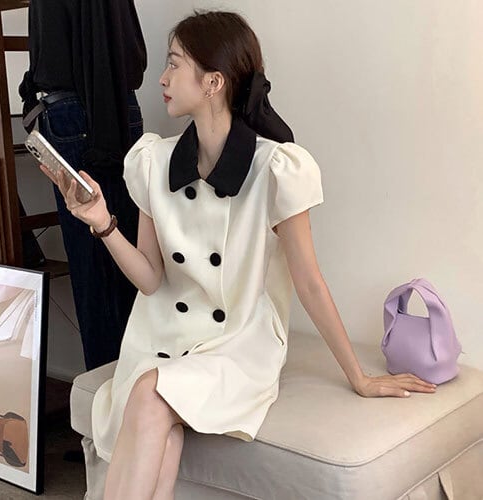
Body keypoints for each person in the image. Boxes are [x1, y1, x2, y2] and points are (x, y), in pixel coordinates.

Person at [42, 10, 437, 499]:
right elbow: (150, 279)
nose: (161, 78)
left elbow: (309, 282)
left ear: (213, 82)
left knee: (149, 394)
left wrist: (359, 377)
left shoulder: (277, 169)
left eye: (174, 64)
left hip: (237, 341)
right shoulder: (153, 161)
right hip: (161, 336)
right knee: (161, 427)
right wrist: (102, 222)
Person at [18, 0, 147, 371]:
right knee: (128, 257)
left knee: (98, 269)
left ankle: (109, 393)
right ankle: (131, 387)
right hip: (118, 101)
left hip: (72, 107)